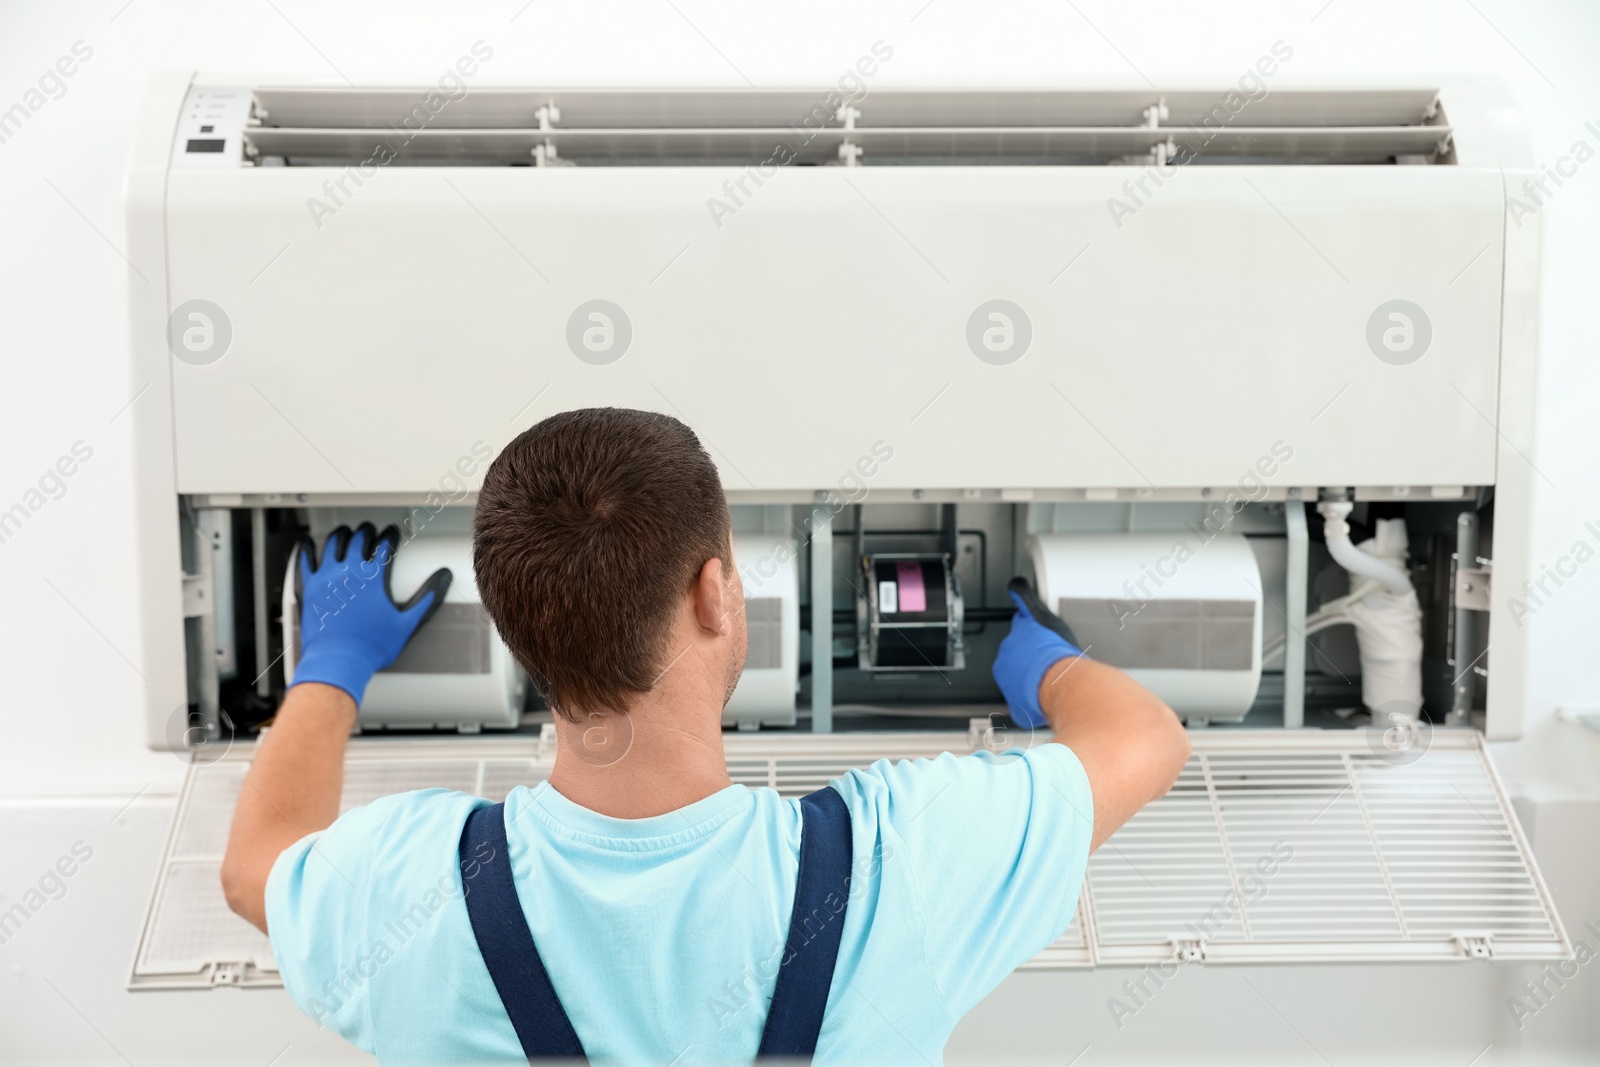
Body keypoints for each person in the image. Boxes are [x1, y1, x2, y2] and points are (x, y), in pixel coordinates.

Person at [221, 407, 1189, 1065]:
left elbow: (254, 863)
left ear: (515, 639)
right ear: (717, 594)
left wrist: (328, 668)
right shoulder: (903, 862)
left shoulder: (408, 887)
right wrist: (1044, 665)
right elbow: (1146, 738)